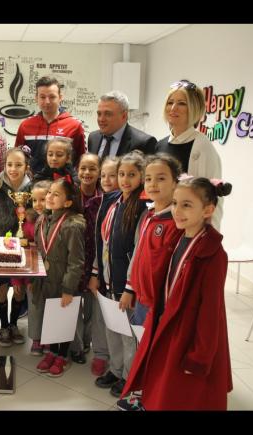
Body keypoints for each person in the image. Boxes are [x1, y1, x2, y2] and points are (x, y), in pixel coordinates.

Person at [121, 177, 233, 410]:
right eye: (175, 203)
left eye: (187, 205)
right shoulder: (180, 237)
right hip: (167, 324)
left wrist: (200, 356)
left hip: (187, 333)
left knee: (180, 392)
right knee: (161, 383)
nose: (177, 211)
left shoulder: (213, 254)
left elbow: (211, 311)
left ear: (208, 210)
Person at [117, 153, 183, 411]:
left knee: (156, 351)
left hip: (159, 303)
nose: (153, 184)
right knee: (143, 346)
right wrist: (129, 288)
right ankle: (142, 391)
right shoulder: (148, 215)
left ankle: (151, 398)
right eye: (149, 179)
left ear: (176, 181)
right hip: (141, 297)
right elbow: (138, 254)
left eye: (161, 178)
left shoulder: (177, 222)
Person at [94, 151, 149, 398]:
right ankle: (115, 370)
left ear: (142, 177)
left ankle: (128, 377)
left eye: (131, 175)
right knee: (112, 328)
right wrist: (98, 273)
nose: (125, 179)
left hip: (125, 285)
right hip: (108, 279)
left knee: (127, 333)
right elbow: (104, 241)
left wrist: (129, 288)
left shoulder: (142, 208)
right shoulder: (115, 202)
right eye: (121, 174)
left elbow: (138, 252)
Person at [33, 178, 85, 377]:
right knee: (50, 317)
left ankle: (62, 355)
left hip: (63, 282)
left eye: (56, 194)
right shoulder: (42, 220)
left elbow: (76, 261)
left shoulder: (72, 225)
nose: (49, 197)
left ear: (68, 202)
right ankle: (51, 352)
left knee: (62, 319)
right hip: (45, 280)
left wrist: (68, 289)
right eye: (49, 193)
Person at [156, 79, 223, 229]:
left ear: (194, 109)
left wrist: (208, 237)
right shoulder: (160, 145)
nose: (173, 108)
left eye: (182, 103)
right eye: (170, 102)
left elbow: (212, 200)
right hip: (161, 227)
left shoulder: (202, 147)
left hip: (186, 230)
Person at [0, 148, 32, 347]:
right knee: (2, 287)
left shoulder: (31, 188)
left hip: (23, 245)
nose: (13, 169)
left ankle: (14, 324)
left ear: (26, 167)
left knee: (19, 289)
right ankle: (4, 326)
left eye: (18, 165)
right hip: (1, 243)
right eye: (9, 165)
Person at [69, 153, 104, 365]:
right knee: (73, 305)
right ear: (77, 170)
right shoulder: (70, 196)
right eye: (83, 168)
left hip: (96, 262)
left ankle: (88, 340)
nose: (87, 173)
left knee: (91, 306)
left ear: (99, 172)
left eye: (92, 168)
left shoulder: (106, 198)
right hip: (74, 260)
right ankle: (76, 346)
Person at [15, 76, 85, 175]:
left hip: (63, 183)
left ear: (60, 97)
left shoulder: (75, 125)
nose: (47, 101)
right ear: (36, 98)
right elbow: (17, 159)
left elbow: (81, 161)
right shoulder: (25, 126)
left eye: (52, 97)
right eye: (42, 97)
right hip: (32, 183)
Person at [88, 156, 119, 377]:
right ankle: (100, 353)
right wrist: (95, 272)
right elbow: (100, 242)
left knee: (116, 319)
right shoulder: (99, 202)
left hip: (118, 273)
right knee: (100, 313)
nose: (107, 180)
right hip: (101, 267)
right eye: (104, 175)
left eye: (113, 175)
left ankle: (117, 362)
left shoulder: (126, 204)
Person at [87, 91, 156, 159]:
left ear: (124, 116)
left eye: (108, 114)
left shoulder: (144, 143)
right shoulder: (93, 138)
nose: (101, 119)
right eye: (99, 114)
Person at [26, 179, 52, 357]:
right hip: (36, 270)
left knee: (50, 305)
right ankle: (36, 338)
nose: (38, 204)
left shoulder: (56, 220)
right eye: (34, 200)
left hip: (52, 272)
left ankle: (49, 338)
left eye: (42, 199)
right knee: (35, 305)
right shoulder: (32, 221)